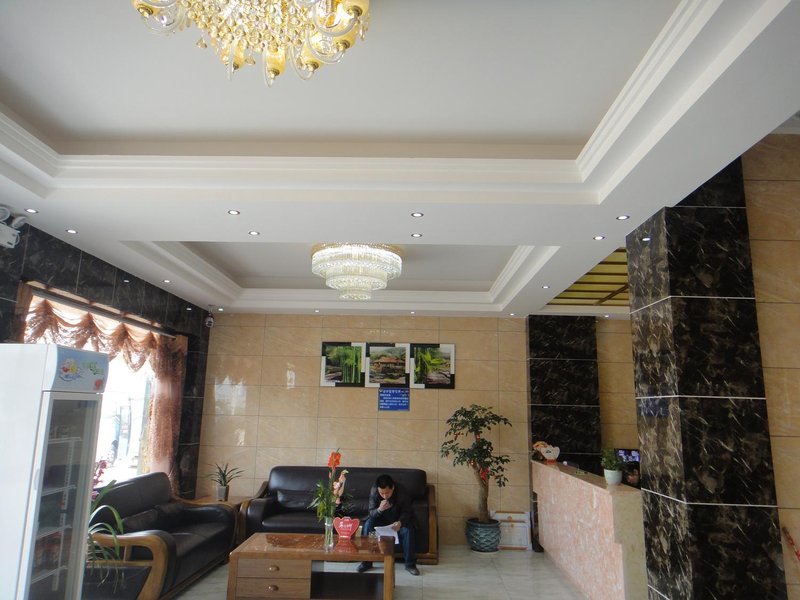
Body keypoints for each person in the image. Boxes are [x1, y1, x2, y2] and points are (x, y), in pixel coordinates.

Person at [357, 473, 419, 576]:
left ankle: (410, 564)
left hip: (397, 521)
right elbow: (371, 512)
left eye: (387, 493)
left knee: (408, 530)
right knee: (368, 524)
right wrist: (379, 509)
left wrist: (400, 522)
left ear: (393, 487)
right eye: (382, 493)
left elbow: (407, 512)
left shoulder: (402, 492)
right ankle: (366, 562)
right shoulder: (374, 490)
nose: (385, 496)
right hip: (380, 520)